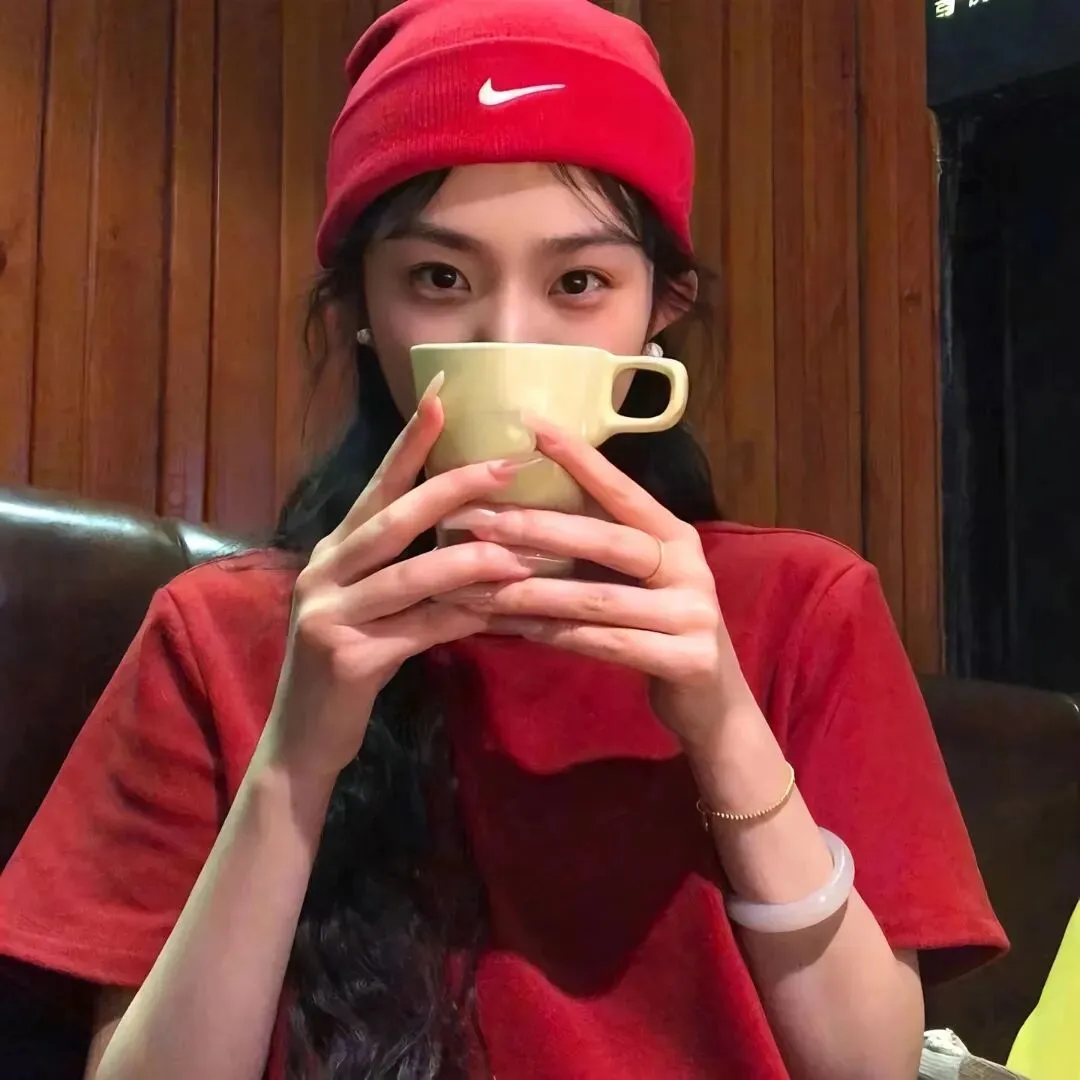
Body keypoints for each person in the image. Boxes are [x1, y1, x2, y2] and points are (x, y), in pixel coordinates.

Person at [0, 2, 1006, 1078]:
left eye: (579, 283)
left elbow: (869, 1067)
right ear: (363, 308)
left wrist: (724, 722)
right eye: (439, 278)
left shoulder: (802, 606)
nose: (509, 338)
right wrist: (296, 760)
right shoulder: (221, 633)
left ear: (659, 311)